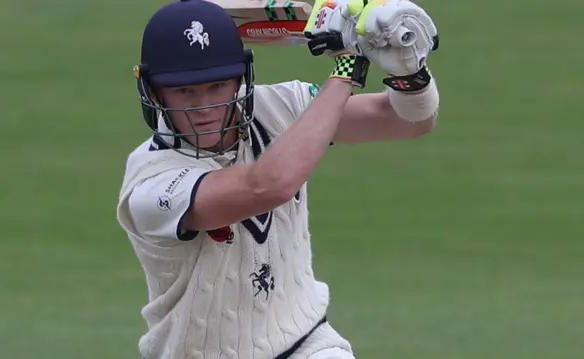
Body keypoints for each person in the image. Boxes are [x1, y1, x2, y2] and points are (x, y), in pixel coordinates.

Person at [116, 0, 440, 358]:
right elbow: (268, 185)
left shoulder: (283, 106)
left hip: (307, 342)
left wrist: (410, 72)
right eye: (185, 91)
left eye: (217, 85)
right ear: (153, 91)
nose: (204, 106)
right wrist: (346, 66)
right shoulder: (151, 184)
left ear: (241, 78)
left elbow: (406, 121)